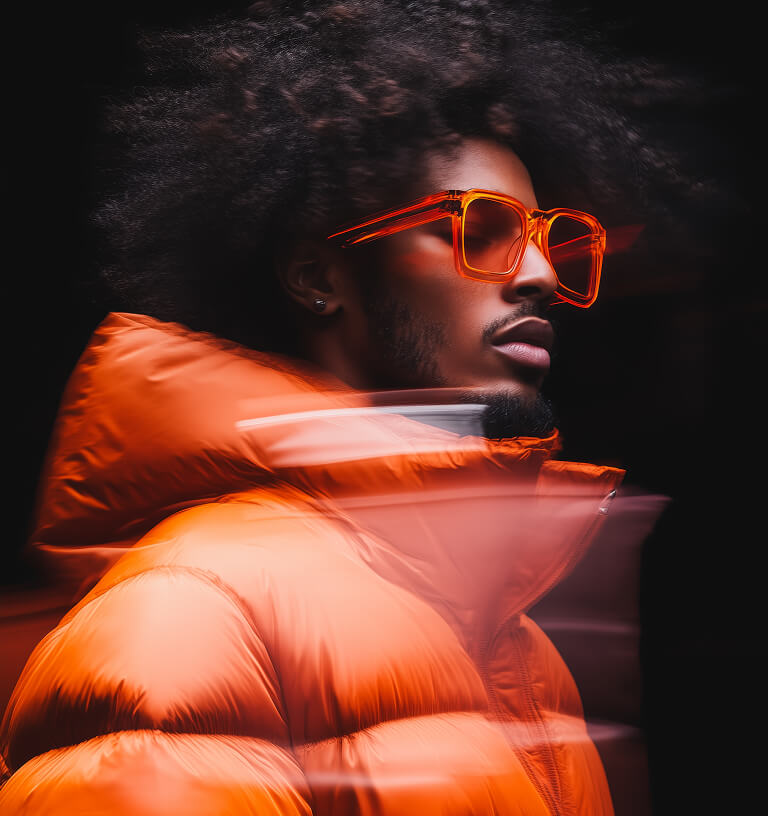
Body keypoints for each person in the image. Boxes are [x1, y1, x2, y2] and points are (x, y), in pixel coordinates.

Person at [0, 2, 679, 813]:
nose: (536, 272)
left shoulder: (514, 637)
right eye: (481, 226)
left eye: (549, 236)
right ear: (319, 278)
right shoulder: (191, 612)